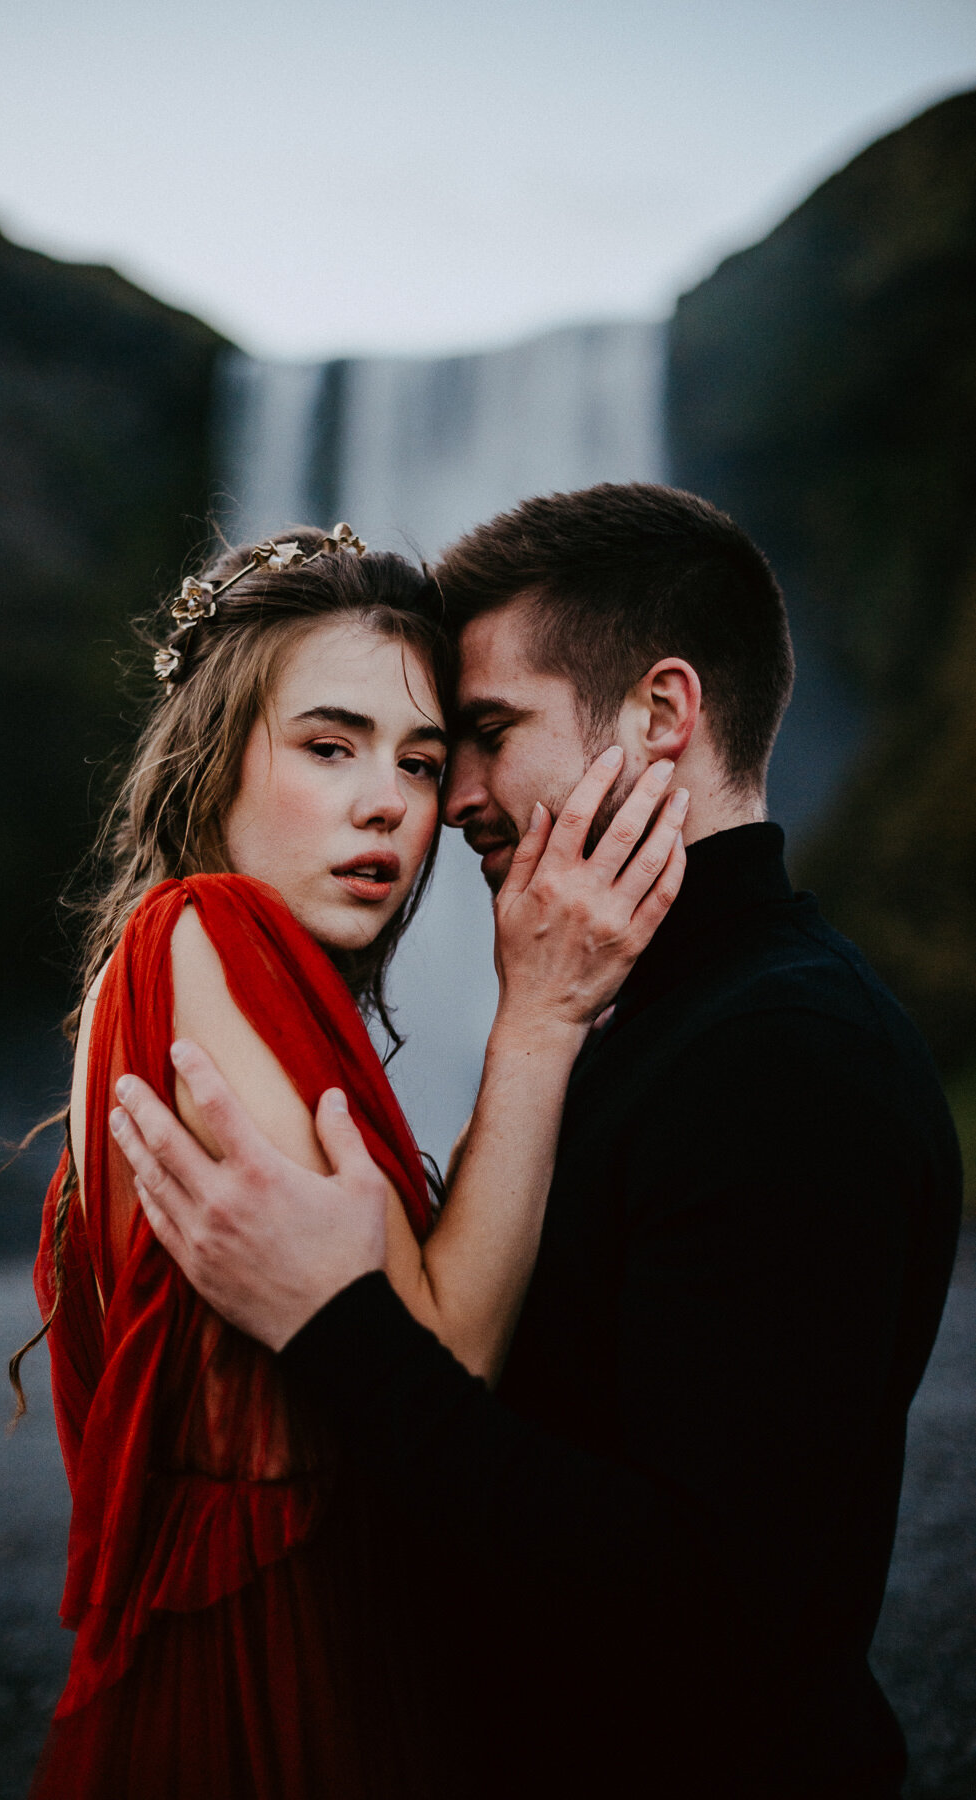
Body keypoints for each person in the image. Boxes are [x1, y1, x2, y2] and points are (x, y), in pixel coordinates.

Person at [112, 484, 963, 1800]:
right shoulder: (663, 1021)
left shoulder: (785, 1057)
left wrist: (337, 1324)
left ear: (663, 715)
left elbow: (713, 1607)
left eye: (478, 735)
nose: (443, 800)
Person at [16, 521, 687, 1800]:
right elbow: (439, 1362)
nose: (390, 799)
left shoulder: (202, 980)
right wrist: (539, 1018)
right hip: (265, 1687)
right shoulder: (200, 931)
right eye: (330, 747)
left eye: (422, 763)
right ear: (216, 762)